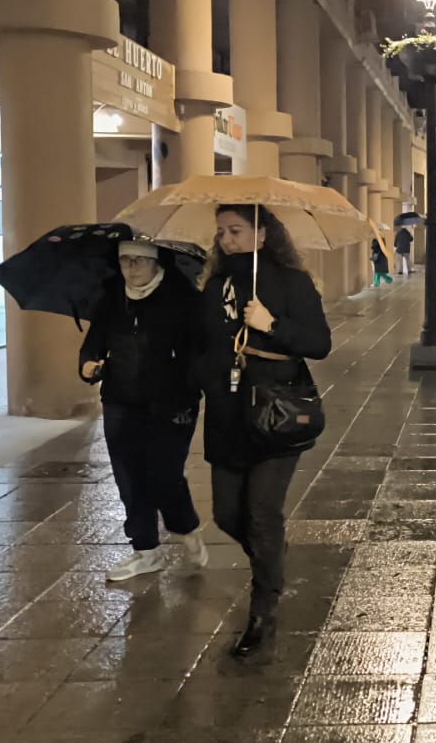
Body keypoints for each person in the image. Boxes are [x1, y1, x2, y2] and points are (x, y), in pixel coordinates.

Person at [198, 204, 332, 658]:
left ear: (261, 235)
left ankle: (263, 608)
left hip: (275, 415)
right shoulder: (214, 286)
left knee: (262, 512)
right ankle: (271, 557)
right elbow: (201, 345)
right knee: (226, 515)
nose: (226, 240)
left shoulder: (292, 283)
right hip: (226, 415)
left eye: (236, 230)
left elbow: (319, 343)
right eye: (221, 232)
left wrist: (269, 324)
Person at [79, 240, 208, 583]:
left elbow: (200, 349)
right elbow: (93, 343)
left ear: (156, 263)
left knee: (164, 473)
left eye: (139, 260)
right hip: (120, 400)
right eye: (125, 261)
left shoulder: (182, 300)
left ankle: (184, 525)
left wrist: (188, 378)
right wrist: (88, 365)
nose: (131, 268)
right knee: (129, 478)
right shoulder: (112, 299)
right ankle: (145, 550)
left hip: (172, 401)